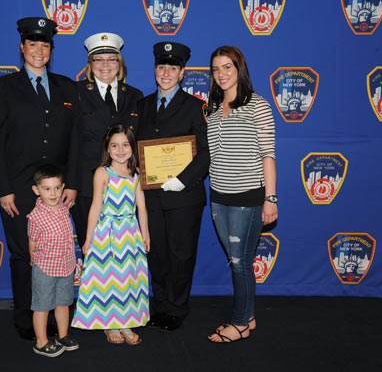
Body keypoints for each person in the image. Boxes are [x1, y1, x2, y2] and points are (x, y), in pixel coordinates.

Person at [0, 17, 78, 341]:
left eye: (45, 45)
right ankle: (26, 318)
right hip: (19, 189)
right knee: (26, 255)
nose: (39, 50)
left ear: (51, 50)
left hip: (58, 191)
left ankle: (56, 314)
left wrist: (74, 185)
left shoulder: (69, 88)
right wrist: (3, 190)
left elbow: (76, 141)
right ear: (22, 46)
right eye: (33, 43)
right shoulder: (2, 88)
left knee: (59, 253)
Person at [205, 45, 278, 343]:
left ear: (239, 70)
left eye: (227, 67)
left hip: (248, 198)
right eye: (216, 69)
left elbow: (268, 155)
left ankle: (238, 324)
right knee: (239, 260)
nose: (221, 74)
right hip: (219, 196)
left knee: (240, 262)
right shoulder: (210, 108)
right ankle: (248, 317)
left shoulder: (257, 105)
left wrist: (270, 198)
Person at [135, 42, 209, 332]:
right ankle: (161, 303)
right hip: (151, 196)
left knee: (181, 253)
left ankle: (177, 307)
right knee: (157, 253)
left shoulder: (196, 107)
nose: (166, 73)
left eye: (173, 68)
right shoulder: (141, 106)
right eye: (161, 67)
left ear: (182, 73)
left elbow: (206, 153)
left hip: (184, 196)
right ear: (155, 70)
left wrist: (182, 180)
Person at [71, 125, 150, 345]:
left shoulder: (136, 173)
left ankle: (126, 321)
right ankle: (110, 324)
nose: (121, 150)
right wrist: (88, 239)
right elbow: (95, 206)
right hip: (106, 234)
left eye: (125, 145)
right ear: (107, 148)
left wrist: (146, 234)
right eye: (115, 145)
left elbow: (141, 207)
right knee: (109, 279)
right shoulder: (102, 172)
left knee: (128, 279)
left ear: (133, 148)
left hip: (130, 233)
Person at [71, 32, 143, 250]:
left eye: (111, 58)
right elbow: (69, 142)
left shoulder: (135, 95)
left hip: (125, 188)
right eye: (98, 59)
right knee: (91, 249)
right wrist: (70, 184)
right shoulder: (75, 93)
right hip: (86, 186)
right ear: (89, 64)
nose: (105, 64)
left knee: (125, 250)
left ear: (119, 63)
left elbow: (140, 140)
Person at [27, 164, 79, 357]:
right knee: (41, 306)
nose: (53, 193)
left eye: (57, 187)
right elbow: (32, 241)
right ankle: (41, 342)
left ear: (63, 187)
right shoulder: (36, 216)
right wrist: (34, 259)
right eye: (47, 189)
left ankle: (62, 335)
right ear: (36, 190)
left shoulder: (64, 209)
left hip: (65, 266)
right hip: (45, 268)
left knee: (63, 303)